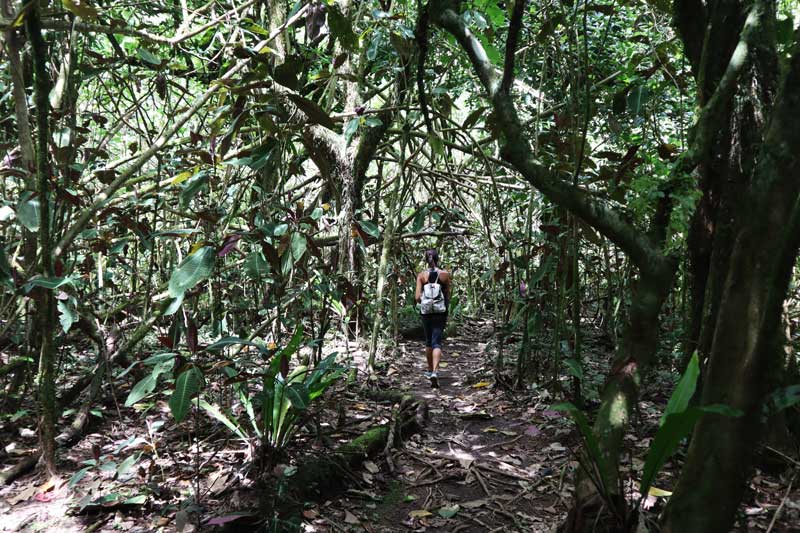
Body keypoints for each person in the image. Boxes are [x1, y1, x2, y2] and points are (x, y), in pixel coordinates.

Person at [415, 249, 451, 388]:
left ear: (426, 259)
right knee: (437, 341)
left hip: (426, 312)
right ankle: (435, 372)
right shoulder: (445, 275)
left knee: (428, 341)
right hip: (440, 312)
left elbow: (417, 297)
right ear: (438, 258)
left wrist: (425, 300)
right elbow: (447, 294)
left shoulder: (422, 275)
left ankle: (430, 371)